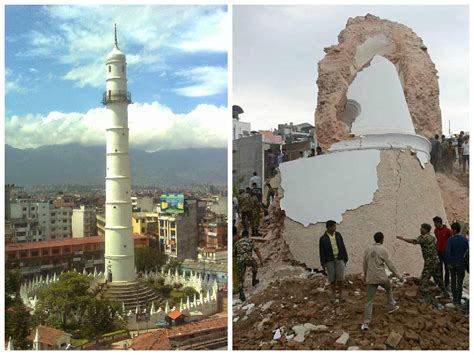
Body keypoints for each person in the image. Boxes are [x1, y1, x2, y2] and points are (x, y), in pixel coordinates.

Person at [397, 223, 448, 303]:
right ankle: (445, 294)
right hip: (436, 261)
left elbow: (414, 241)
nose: (420, 229)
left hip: (429, 263)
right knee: (438, 279)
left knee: (424, 281)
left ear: (426, 230)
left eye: (422, 228)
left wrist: (403, 239)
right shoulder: (432, 238)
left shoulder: (424, 238)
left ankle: (426, 298)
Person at [361, 232, 401, 331]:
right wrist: (398, 276)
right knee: (388, 288)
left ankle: (366, 323)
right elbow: (390, 265)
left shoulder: (367, 249)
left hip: (371, 278)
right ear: (382, 239)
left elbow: (364, 264)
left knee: (369, 300)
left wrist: (366, 276)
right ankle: (391, 305)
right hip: (381, 277)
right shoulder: (383, 250)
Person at [319, 220, 348, 304]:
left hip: (339, 258)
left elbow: (342, 246)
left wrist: (345, 257)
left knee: (340, 277)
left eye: (335, 226)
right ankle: (333, 295)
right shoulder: (323, 238)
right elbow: (321, 251)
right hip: (329, 260)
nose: (334, 228)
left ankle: (340, 294)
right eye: (333, 226)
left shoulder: (338, 235)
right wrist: (323, 263)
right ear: (328, 227)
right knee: (332, 278)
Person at [234, 230, 264, 301]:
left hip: (240, 260)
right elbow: (257, 251)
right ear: (247, 235)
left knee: (240, 277)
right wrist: (261, 260)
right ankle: (254, 281)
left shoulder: (237, 243)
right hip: (249, 258)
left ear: (242, 235)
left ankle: (241, 293)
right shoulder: (250, 241)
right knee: (255, 266)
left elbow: (234, 253)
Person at [446, 222, 469, 306]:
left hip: (452, 263)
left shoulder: (450, 240)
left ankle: (454, 299)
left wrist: (448, 263)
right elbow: (468, 251)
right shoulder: (464, 240)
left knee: (453, 281)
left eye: (452, 229)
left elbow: (448, 252)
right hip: (461, 264)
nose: (451, 231)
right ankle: (458, 301)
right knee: (460, 283)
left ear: (454, 230)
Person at [433, 216, 453, 290]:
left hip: (446, 252)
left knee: (447, 268)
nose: (434, 225)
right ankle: (440, 284)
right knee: (439, 268)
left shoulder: (447, 231)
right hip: (439, 251)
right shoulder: (436, 231)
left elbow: (451, 241)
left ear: (439, 223)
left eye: (435, 223)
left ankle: (447, 284)